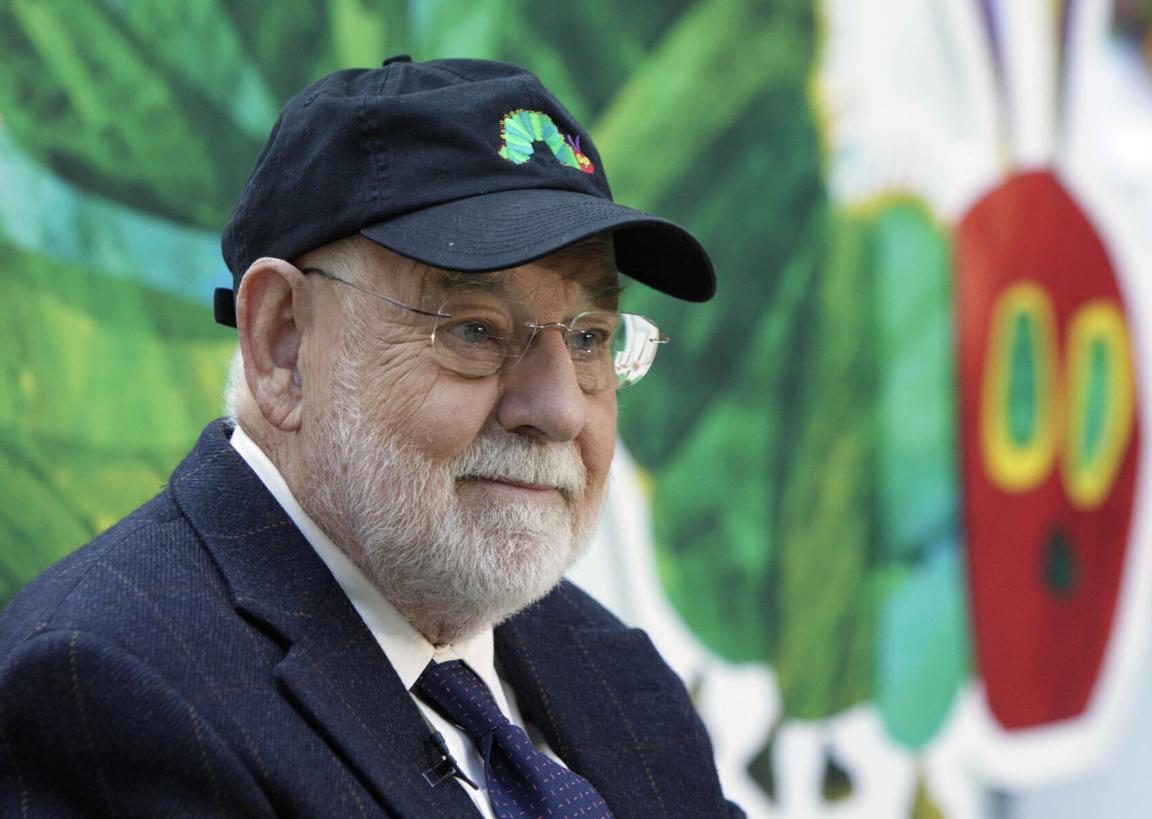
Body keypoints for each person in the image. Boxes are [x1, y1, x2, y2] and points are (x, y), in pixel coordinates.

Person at [0, 56, 741, 817]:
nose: (558, 409)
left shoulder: (617, 671)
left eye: (589, 339)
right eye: (475, 329)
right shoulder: (106, 688)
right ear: (284, 343)